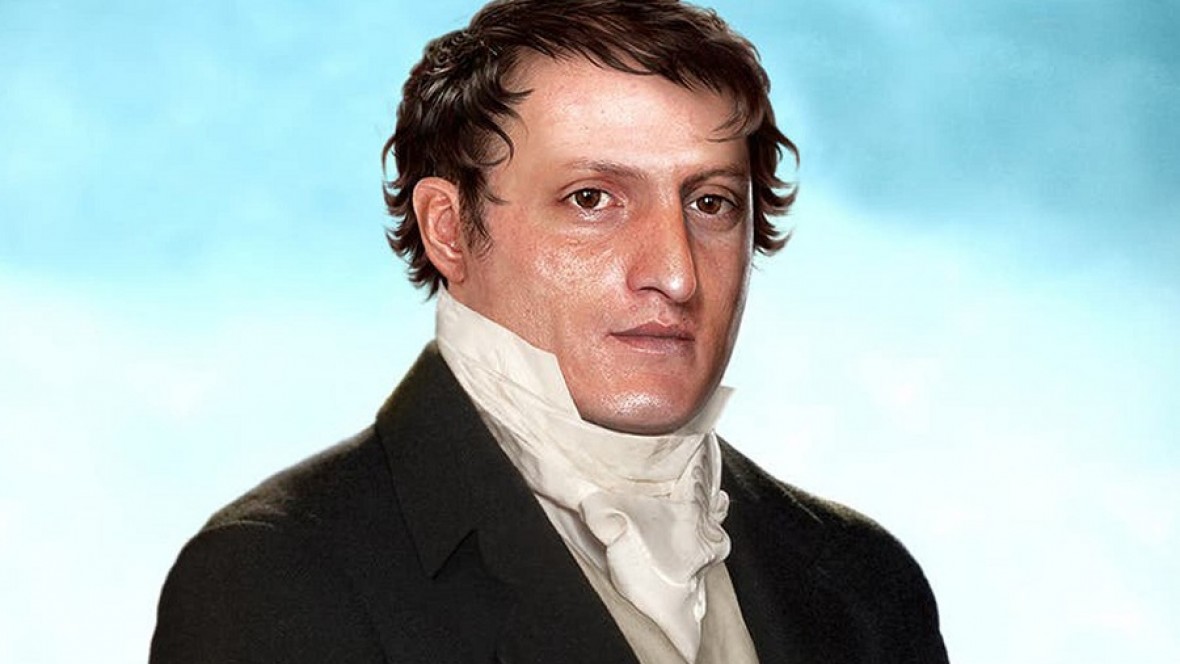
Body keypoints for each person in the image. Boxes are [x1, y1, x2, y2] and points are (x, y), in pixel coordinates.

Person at [150, 1, 949, 662]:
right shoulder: (276, 577)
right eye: (592, 199)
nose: (675, 274)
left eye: (710, 203)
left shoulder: (866, 581)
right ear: (449, 228)